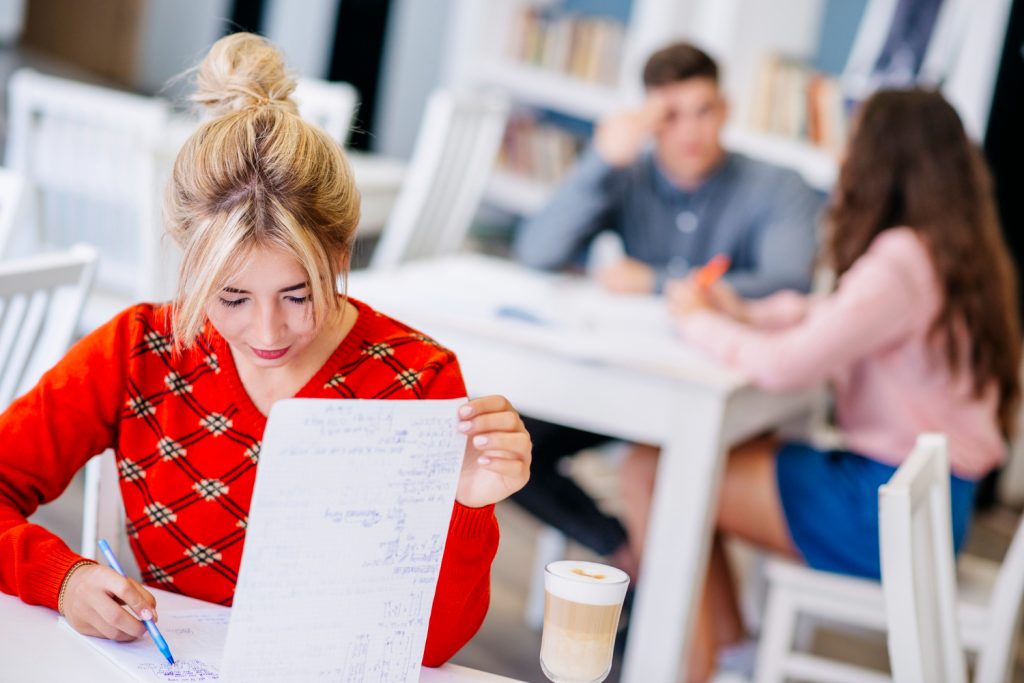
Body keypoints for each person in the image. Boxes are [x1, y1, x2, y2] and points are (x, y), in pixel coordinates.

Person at [0, 33, 531, 668]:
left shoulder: (414, 380)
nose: (268, 333)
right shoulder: (140, 349)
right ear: (188, 263)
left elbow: (431, 646)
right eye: (230, 298)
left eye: (300, 295)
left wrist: (470, 506)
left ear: (341, 253)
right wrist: (62, 577)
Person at [620, 88, 1021, 682]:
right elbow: (836, 318)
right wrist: (745, 313)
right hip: (930, 509)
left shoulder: (899, 259)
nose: (842, 160)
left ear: (882, 161)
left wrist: (698, 322)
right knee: (692, 466)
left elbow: (787, 366)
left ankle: (688, 670)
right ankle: (725, 658)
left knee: (655, 470)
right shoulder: (950, 253)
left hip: (884, 511)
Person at [510, 42, 823, 576]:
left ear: (725, 109)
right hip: (636, 381)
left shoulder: (778, 187)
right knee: (514, 448)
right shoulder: (627, 176)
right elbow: (536, 252)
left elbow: (787, 281)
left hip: (725, 394)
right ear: (647, 119)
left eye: (703, 111)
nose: (689, 132)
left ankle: (666, 608)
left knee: (660, 470)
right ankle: (623, 554)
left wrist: (654, 282)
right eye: (669, 116)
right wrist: (602, 160)